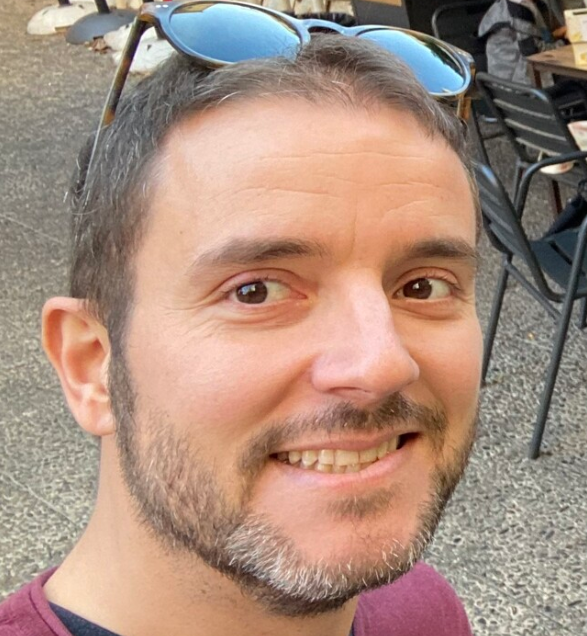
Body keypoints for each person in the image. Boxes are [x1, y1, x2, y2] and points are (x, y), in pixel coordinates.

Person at [0, 23, 482, 636]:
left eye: (423, 286)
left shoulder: (422, 609)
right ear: (91, 364)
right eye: (256, 291)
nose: (381, 363)